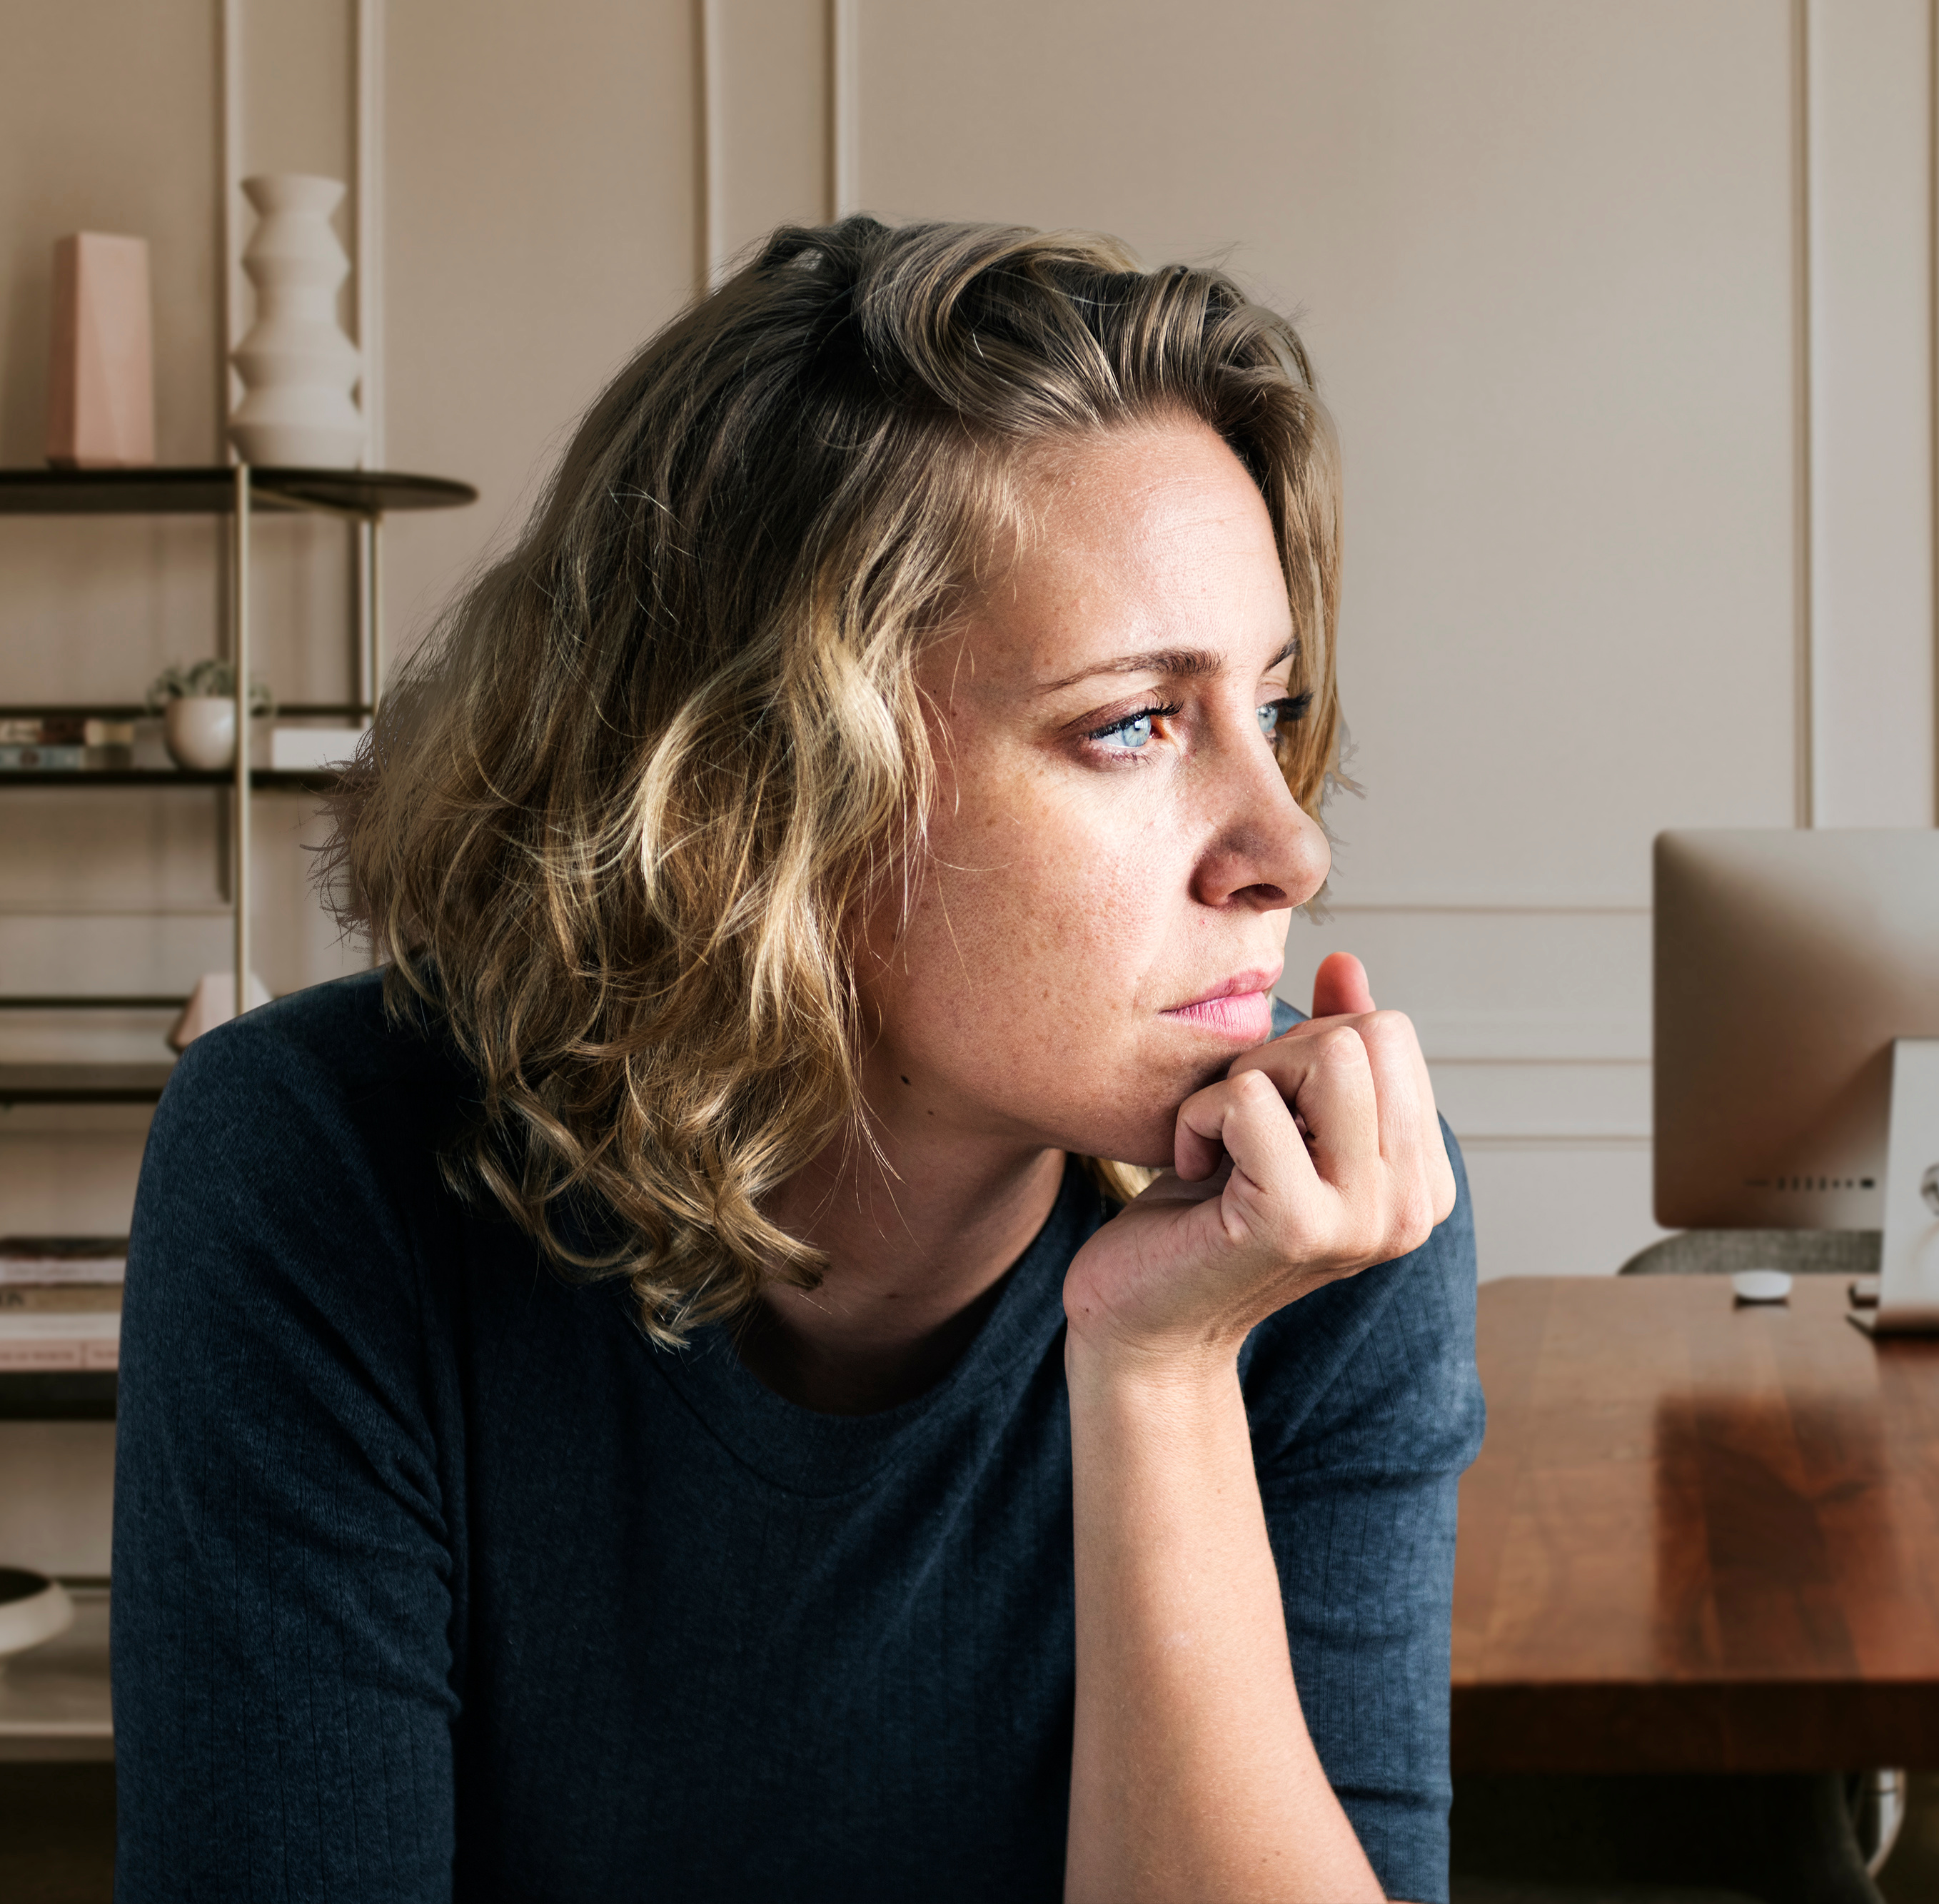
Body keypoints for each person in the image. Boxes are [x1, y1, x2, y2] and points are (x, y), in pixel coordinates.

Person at [111, 219, 1481, 1904]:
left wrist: (1162, 1372)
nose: (1288, 846)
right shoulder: (319, 1164)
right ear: (764, 793)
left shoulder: (1316, 1214)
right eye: (1134, 721)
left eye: (1269, 709)